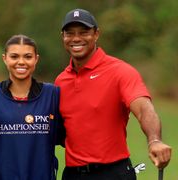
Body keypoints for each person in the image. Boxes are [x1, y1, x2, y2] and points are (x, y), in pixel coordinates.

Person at [55, 8, 172, 179]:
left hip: (113, 172)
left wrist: (154, 141)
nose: (76, 38)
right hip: (72, 174)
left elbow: (144, 109)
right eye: (70, 33)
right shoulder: (60, 81)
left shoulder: (120, 72)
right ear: (63, 37)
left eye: (84, 32)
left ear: (96, 34)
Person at [0, 34, 64, 180]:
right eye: (14, 56)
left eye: (28, 57)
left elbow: (68, 137)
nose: (21, 62)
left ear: (36, 59)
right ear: (5, 58)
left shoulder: (52, 95)